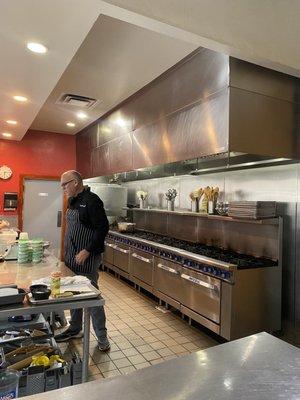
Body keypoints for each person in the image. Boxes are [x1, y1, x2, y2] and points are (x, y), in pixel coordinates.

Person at [54, 170, 110, 351]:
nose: (62, 188)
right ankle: (75, 328)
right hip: (72, 257)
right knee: (72, 293)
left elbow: (103, 229)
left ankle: (102, 337)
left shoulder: (92, 201)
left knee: (93, 298)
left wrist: (87, 250)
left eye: (65, 184)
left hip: (87, 258)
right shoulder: (72, 200)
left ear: (76, 182)